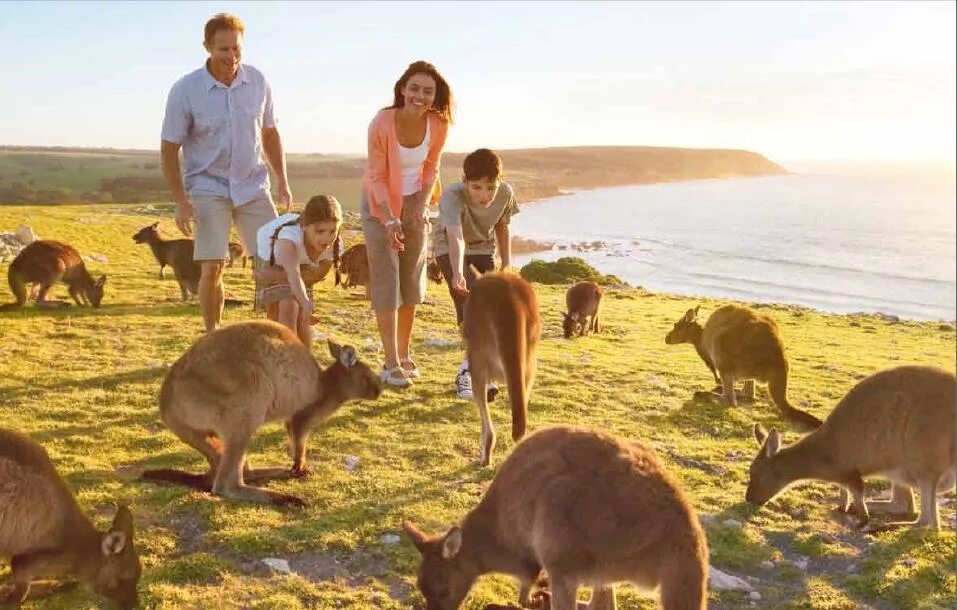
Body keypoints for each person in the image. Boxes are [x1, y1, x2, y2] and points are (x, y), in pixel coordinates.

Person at [160, 12, 292, 332]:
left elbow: (270, 134)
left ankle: (276, 336)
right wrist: (181, 200)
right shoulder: (185, 90)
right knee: (213, 266)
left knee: (275, 262)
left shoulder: (258, 82)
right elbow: (168, 148)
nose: (231, 57)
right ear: (207, 46)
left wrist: (283, 182)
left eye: (236, 49)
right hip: (208, 186)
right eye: (223, 49)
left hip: (252, 185)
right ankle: (212, 336)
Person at [360, 60, 453, 388]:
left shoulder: (438, 124)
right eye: (414, 88)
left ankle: (404, 350)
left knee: (411, 279)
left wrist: (423, 204)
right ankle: (390, 361)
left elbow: (432, 166)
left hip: (415, 201)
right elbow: (376, 175)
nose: (420, 96)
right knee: (387, 279)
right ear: (402, 89)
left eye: (428, 91)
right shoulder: (382, 122)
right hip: (379, 203)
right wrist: (389, 219)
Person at [432, 148, 519, 399]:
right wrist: (457, 272)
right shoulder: (451, 197)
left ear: (498, 182)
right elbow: (455, 236)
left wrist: (507, 265)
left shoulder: (506, 194)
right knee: (470, 305)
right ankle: (466, 372)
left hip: (483, 247)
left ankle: (483, 372)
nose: (485, 195)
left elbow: (502, 228)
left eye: (490, 187)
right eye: (477, 187)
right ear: (465, 181)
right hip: (449, 249)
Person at [254, 195, 342, 348]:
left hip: (298, 267)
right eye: (320, 231)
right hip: (273, 259)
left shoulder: (335, 245)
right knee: (289, 306)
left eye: (332, 231)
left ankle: (306, 363)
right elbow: (293, 274)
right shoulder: (288, 238)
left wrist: (275, 278)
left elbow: (317, 275)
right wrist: (304, 301)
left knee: (303, 317)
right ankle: (289, 357)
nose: (326, 239)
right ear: (304, 226)